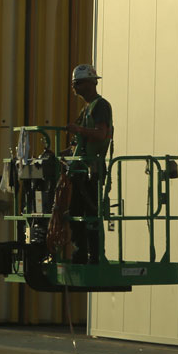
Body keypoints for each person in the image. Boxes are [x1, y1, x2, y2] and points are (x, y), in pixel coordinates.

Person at [64, 63, 113, 263]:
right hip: (81, 167)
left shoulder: (100, 106)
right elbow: (79, 142)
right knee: (77, 213)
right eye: (74, 83)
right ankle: (81, 253)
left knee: (90, 213)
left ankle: (95, 255)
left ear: (92, 83)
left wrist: (79, 130)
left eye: (79, 83)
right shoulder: (87, 109)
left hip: (91, 168)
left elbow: (101, 134)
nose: (75, 87)